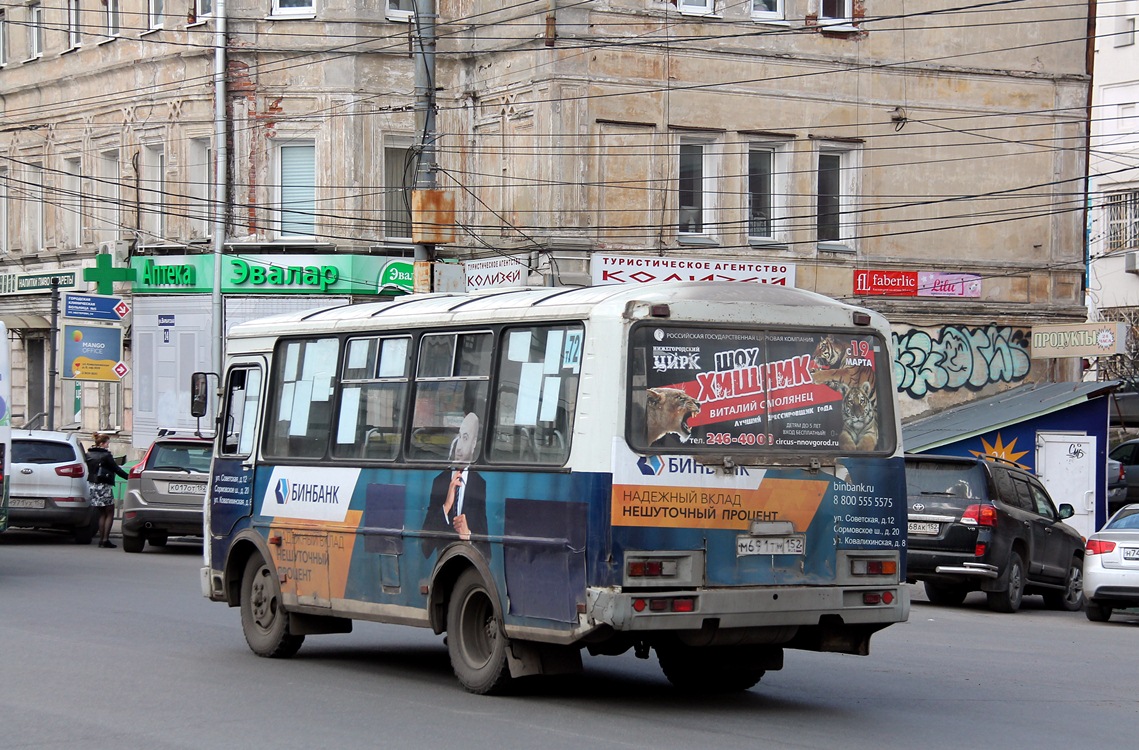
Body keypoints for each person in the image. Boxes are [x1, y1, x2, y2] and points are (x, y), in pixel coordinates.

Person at [422, 412, 488, 560]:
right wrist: (445, 507)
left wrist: (468, 535)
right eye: (458, 437)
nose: (458, 447)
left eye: (465, 438)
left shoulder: (480, 485)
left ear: (473, 444)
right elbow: (425, 546)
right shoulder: (439, 481)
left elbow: (487, 553)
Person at [86, 432, 128, 548]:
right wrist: (129, 477)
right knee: (109, 512)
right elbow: (116, 469)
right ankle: (105, 539)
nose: (108, 446)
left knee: (101, 513)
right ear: (102, 443)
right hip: (104, 485)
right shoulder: (106, 455)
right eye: (107, 443)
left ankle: (101, 540)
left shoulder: (88, 454)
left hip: (93, 485)